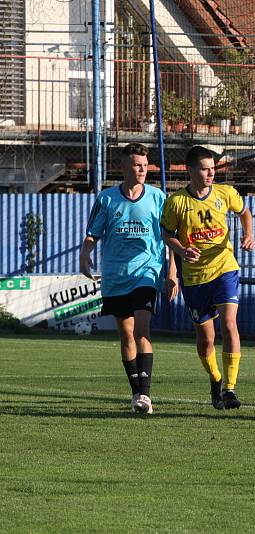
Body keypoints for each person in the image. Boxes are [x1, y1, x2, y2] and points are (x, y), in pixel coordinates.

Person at [79, 142, 179, 415]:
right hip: (116, 276)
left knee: (142, 329)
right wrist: (84, 254)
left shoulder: (158, 198)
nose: (143, 169)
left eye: (146, 165)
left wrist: (172, 271)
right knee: (126, 335)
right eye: (137, 165)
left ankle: (145, 395)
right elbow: (92, 234)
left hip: (147, 272)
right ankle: (136, 392)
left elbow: (170, 237)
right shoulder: (107, 199)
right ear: (122, 167)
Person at [160, 145, 255, 410]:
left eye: (213, 168)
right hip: (194, 278)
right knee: (206, 339)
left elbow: (244, 212)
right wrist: (179, 252)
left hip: (225, 268)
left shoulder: (225, 194)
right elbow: (167, 235)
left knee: (229, 324)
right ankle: (215, 379)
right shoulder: (176, 202)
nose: (211, 173)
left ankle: (230, 388)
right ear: (190, 171)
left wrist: (248, 234)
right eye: (205, 168)